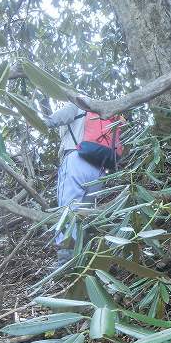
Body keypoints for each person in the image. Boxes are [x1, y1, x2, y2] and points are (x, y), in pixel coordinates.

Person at [44, 102, 104, 266]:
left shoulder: (76, 104)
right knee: (82, 213)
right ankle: (82, 260)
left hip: (76, 159)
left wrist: (32, 118)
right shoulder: (99, 109)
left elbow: (52, 120)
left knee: (67, 210)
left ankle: (65, 263)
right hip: (99, 168)